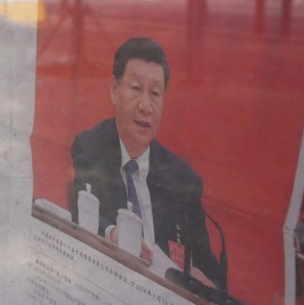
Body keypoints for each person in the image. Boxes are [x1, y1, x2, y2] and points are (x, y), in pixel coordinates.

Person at [70, 37, 220, 288]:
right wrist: (113, 234)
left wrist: (209, 286)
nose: (146, 106)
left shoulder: (182, 179)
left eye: (155, 93)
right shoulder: (90, 147)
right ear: (114, 91)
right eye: (136, 88)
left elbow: (211, 272)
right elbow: (79, 208)